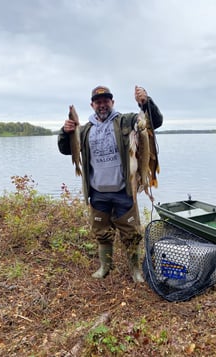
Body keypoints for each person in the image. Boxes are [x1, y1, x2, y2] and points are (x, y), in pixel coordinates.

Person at [58, 85, 163, 283]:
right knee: (102, 233)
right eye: (98, 102)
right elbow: (66, 149)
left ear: (112, 102)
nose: (102, 104)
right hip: (98, 192)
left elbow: (154, 122)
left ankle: (135, 270)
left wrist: (146, 102)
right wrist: (65, 132)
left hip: (124, 190)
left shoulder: (127, 121)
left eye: (106, 100)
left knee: (131, 233)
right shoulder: (85, 129)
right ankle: (105, 266)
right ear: (92, 105)